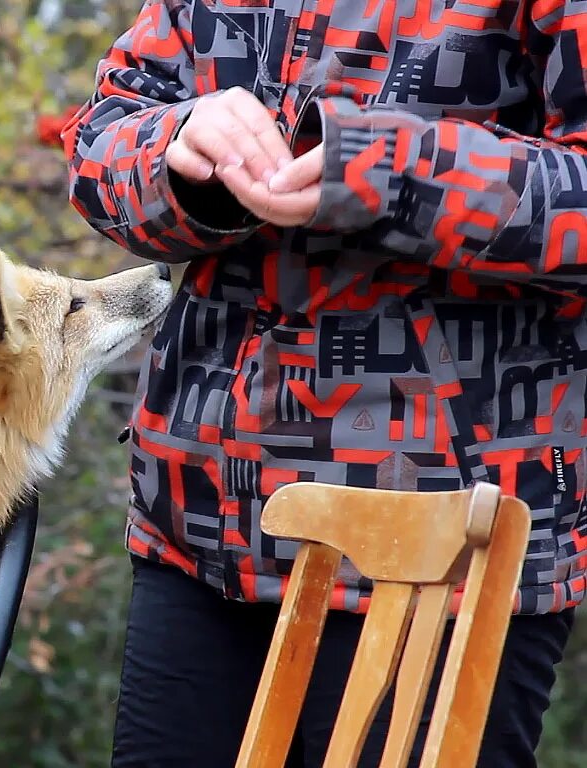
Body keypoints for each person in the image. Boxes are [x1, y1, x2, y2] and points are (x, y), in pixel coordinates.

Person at [63, 1, 587, 766]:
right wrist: (177, 150)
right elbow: (101, 139)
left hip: (441, 562)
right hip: (200, 536)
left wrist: (390, 172)